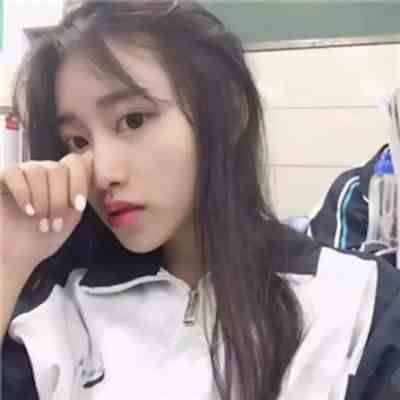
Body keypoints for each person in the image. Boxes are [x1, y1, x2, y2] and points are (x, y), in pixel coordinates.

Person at [1, 1, 400, 399]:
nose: (103, 173)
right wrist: (7, 262)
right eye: (78, 141)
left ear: (229, 110)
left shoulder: (356, 304)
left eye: (133, 120)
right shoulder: (54, 315)